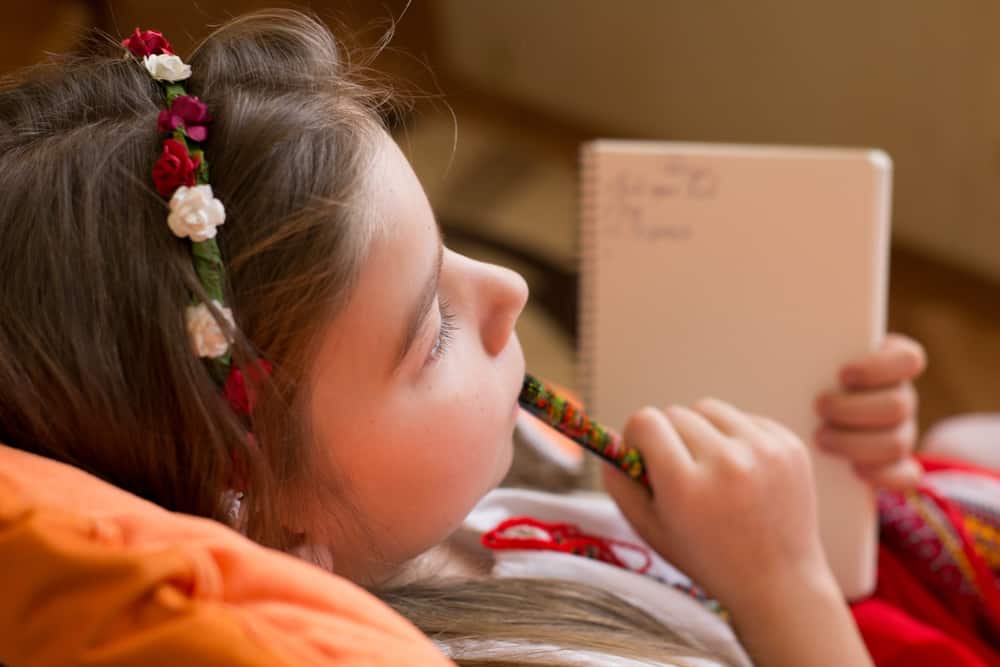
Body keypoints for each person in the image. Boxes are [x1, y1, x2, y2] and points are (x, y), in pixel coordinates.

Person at [0, 10, 931, 667]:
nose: (512, 289)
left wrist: (822, 472)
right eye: (432, 328)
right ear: (266, 511)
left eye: (446, 248)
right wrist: (786, 588)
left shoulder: (435, 483)